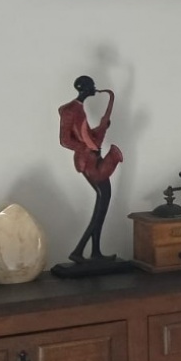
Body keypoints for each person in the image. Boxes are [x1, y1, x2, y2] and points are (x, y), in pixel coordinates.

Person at [58, 76, 123, 264]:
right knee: (102, 206)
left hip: (94, 158)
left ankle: (94, 252)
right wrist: (86, 148)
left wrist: (100, 129)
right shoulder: (70, 110)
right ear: (85, 88)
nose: (95, 88)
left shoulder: (78, 109)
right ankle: (79, 251)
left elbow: (83, 134)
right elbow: (65, 140)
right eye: (92, 86)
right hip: (89, 162)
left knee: (102, 205)